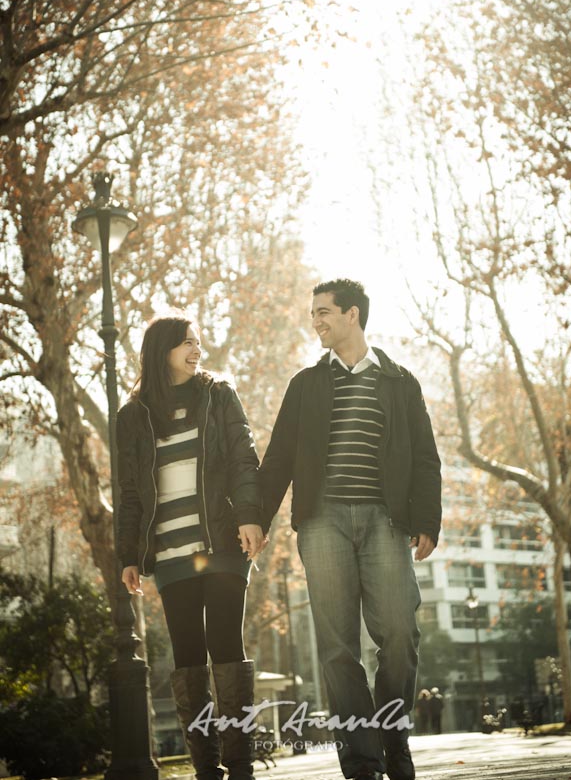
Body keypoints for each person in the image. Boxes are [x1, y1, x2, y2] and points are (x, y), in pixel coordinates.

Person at [258, 279, 442, 780]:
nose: (315, 321)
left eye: (323, 312)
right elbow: (277, 460)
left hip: (386, 521)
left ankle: (392, 739)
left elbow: (426, 458)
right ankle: (361, 762)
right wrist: (256, 517)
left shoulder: (400, 382)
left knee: (401, 634)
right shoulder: (306, 384)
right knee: (338, 648)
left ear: (352, 315)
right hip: (322, 524)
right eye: (312, 312)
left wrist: (427, 519)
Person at [116, 313, 266, 780]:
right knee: (187, 654)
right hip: (170, 552)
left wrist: (249, 516)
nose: (196, 350)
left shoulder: (218, 394)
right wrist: (128, 556)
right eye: (186, 343)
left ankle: (239, 764)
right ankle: (207, 767)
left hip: (222, 541)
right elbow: (130, 492)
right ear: (161, 351)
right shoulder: (132, 415)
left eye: (197, 342)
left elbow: (244, 457)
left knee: (225, 642)